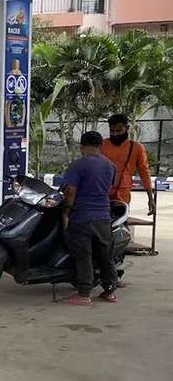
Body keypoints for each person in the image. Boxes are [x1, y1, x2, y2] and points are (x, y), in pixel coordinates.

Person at [60, 131, 118, 306]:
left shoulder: (78, 165)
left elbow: (70, 191)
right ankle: (109, 291)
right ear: (101, 145)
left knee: (83, 256)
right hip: (104, 217)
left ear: (82, 146)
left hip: (82, 217)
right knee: (106, 256)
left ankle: (84, 294)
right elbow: (109, 188)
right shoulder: (110, 165)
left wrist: (66, 212)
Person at [101, 113, 155, 216]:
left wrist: (150, 198)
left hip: (122, 199)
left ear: (127, 128)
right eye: (112, 131)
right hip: (100, 197)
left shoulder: (137, 148)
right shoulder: (102, 145)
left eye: (119, 131)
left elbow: (144, 173)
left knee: (120, 225)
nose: (115, 134)